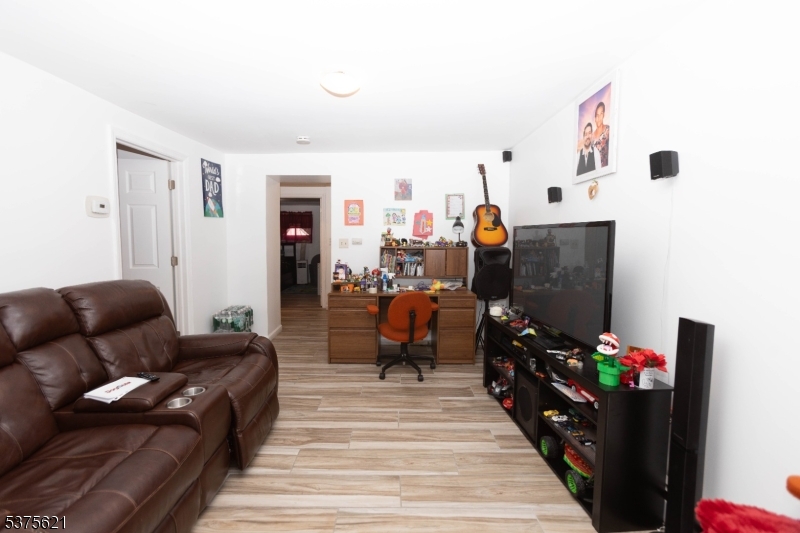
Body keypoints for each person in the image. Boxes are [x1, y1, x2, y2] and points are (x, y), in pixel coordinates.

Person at [593, 102, 610, 167]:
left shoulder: (608, 130)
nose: (599, 117)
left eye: (601, 114)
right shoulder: (591, 137)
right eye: (597, 115)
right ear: (595, 118)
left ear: (604, 115)